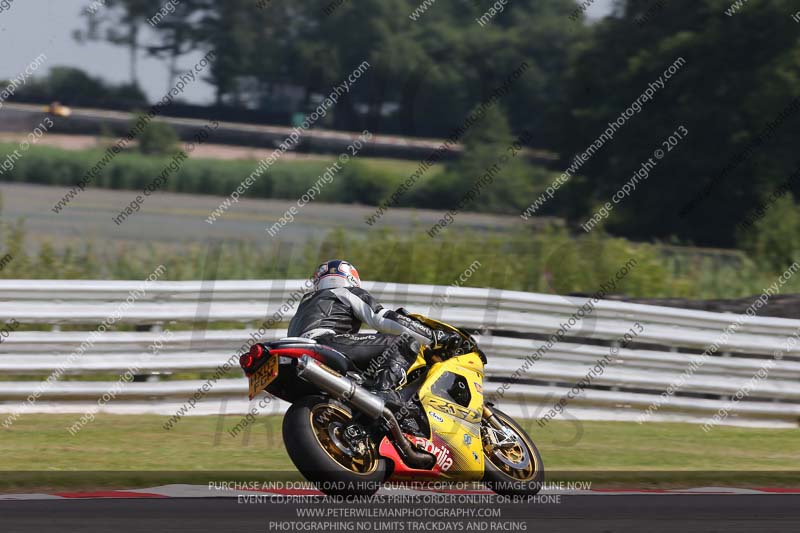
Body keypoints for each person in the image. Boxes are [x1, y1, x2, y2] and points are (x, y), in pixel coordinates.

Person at [287, 259, 461, 406]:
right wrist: (435, 337)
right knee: (404, 343)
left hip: (299, 357)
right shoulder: (346, 292)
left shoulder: (302, 309)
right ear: (352, 279)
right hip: (327, 344)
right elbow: (383, 318)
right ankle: (384, 393)